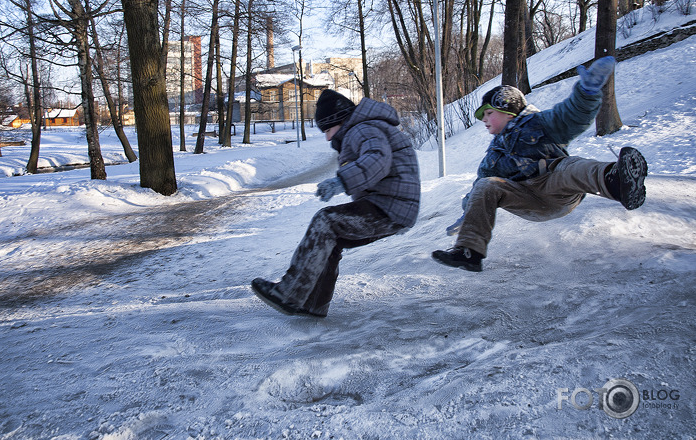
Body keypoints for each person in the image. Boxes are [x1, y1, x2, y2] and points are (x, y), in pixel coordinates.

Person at [433, 56, 648, 272]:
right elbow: (480, 187)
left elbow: (571, 115)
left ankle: (617, 181)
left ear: (508, 111)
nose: (485, 120)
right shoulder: (494, 153)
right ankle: (469, 252)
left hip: (558, 190)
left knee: (568, 166)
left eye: (489, 113)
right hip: (526, 199)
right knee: (487, 184)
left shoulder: (541, 124)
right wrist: (468, 212)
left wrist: (587, 92)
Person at [252, 89, 421, 317]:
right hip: (393, 204)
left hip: (390, 205)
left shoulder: (362, 128)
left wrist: (342, 180)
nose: (328, 138)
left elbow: (378, 159)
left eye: (328, 130)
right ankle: (313, 304)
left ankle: (289, 293)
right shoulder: (362, 127)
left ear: (339, 120)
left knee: (326, 221)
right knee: (330, 240)